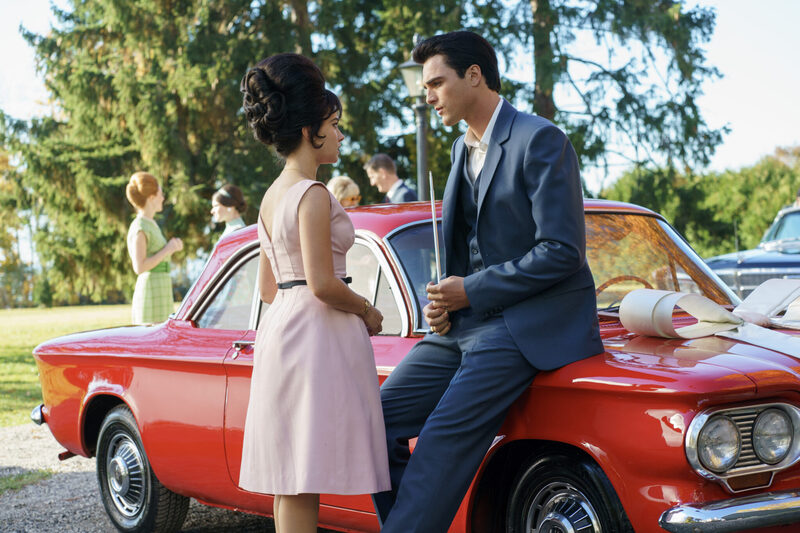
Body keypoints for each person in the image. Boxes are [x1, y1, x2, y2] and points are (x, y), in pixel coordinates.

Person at [372, 31, 604, 532]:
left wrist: (471, 291)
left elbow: (563, 252)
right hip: (466, 326)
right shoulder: (461, 149)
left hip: (529, 324)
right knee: (373, 420)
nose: (427, 95)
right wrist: (447, 300)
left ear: (473, 75)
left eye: (436, 82)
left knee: (440, 441)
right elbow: (465, 246)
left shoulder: (540, 138)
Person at [237, 53, 390, 533]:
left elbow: (266, 287)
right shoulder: (313, 193)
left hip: (282, 325)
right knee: (305, 473)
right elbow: (324, 284)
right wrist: (367, 310)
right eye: (335, 125)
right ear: (309, 131)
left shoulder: (270, 195)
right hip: (316, 336)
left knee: (291, 476)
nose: (341, 135)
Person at [125, 172, 183, 325]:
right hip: (150, 291)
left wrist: (172, 247)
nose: (163, 198)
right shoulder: (140, 226)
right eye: (160, 194)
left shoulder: (151, 223)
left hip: (161, 287)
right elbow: (139, 266)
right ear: (151, 198)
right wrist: (168, 249)